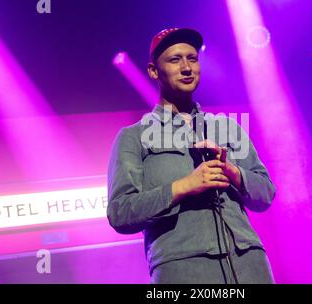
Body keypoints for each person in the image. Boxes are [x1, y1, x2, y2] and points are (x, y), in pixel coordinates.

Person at [107, 28, 276, 284]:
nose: (187, 67)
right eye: (175, 60)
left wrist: (231, 171)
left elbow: (265, 194)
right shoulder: (134, 136)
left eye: (192, 58)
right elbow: (120, 213)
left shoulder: (227, 127)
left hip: (249, 265)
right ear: (154, 71)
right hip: (183, 270)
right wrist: (184, 186)